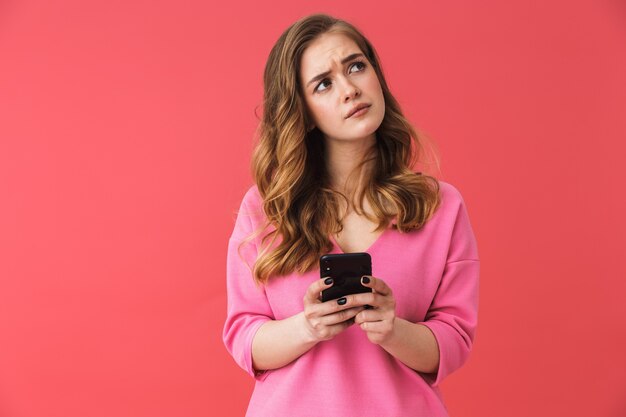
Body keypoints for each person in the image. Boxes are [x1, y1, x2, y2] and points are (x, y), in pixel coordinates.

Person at [223, 13, 479, 417]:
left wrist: (393, 330)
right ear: (303, 111)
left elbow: (455, 340)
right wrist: (307, 325)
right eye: (324, 83)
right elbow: (244, 338)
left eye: (356, 66)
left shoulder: (441, 207)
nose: (349, 89)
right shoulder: (265, 209)